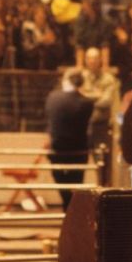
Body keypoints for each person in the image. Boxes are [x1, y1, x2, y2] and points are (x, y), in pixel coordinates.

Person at [45, 68, 94, 211]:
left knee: (60, 180)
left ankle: (67, 203)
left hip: (57, 148)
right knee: (77, 181)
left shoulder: (52, 97)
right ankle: (71, 207)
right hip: (78, 150)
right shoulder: (87, 103)